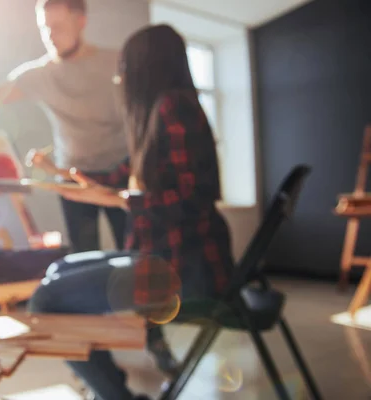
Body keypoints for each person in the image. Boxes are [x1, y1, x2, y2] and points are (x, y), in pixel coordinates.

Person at [27, 24, 235, 400]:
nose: (120, 76)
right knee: (59, 270)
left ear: (146, 66)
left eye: (125, 66)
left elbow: (193, 201)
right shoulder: (159, 114)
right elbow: (120, 175)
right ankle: (110, 390)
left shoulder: (173, 107)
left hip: (183, 271)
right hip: (163, 259)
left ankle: (114, 396)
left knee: (47, 299)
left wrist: (123, 199)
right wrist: (66, 177)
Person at [0, 0, 128, 253]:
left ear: (81, 21)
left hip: (119, 174)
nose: (51, 36)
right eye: (45, 28)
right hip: (72, 178)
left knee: (131, 253)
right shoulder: (39, 74)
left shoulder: (115, 62)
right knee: (84, 256)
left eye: (58, 26)